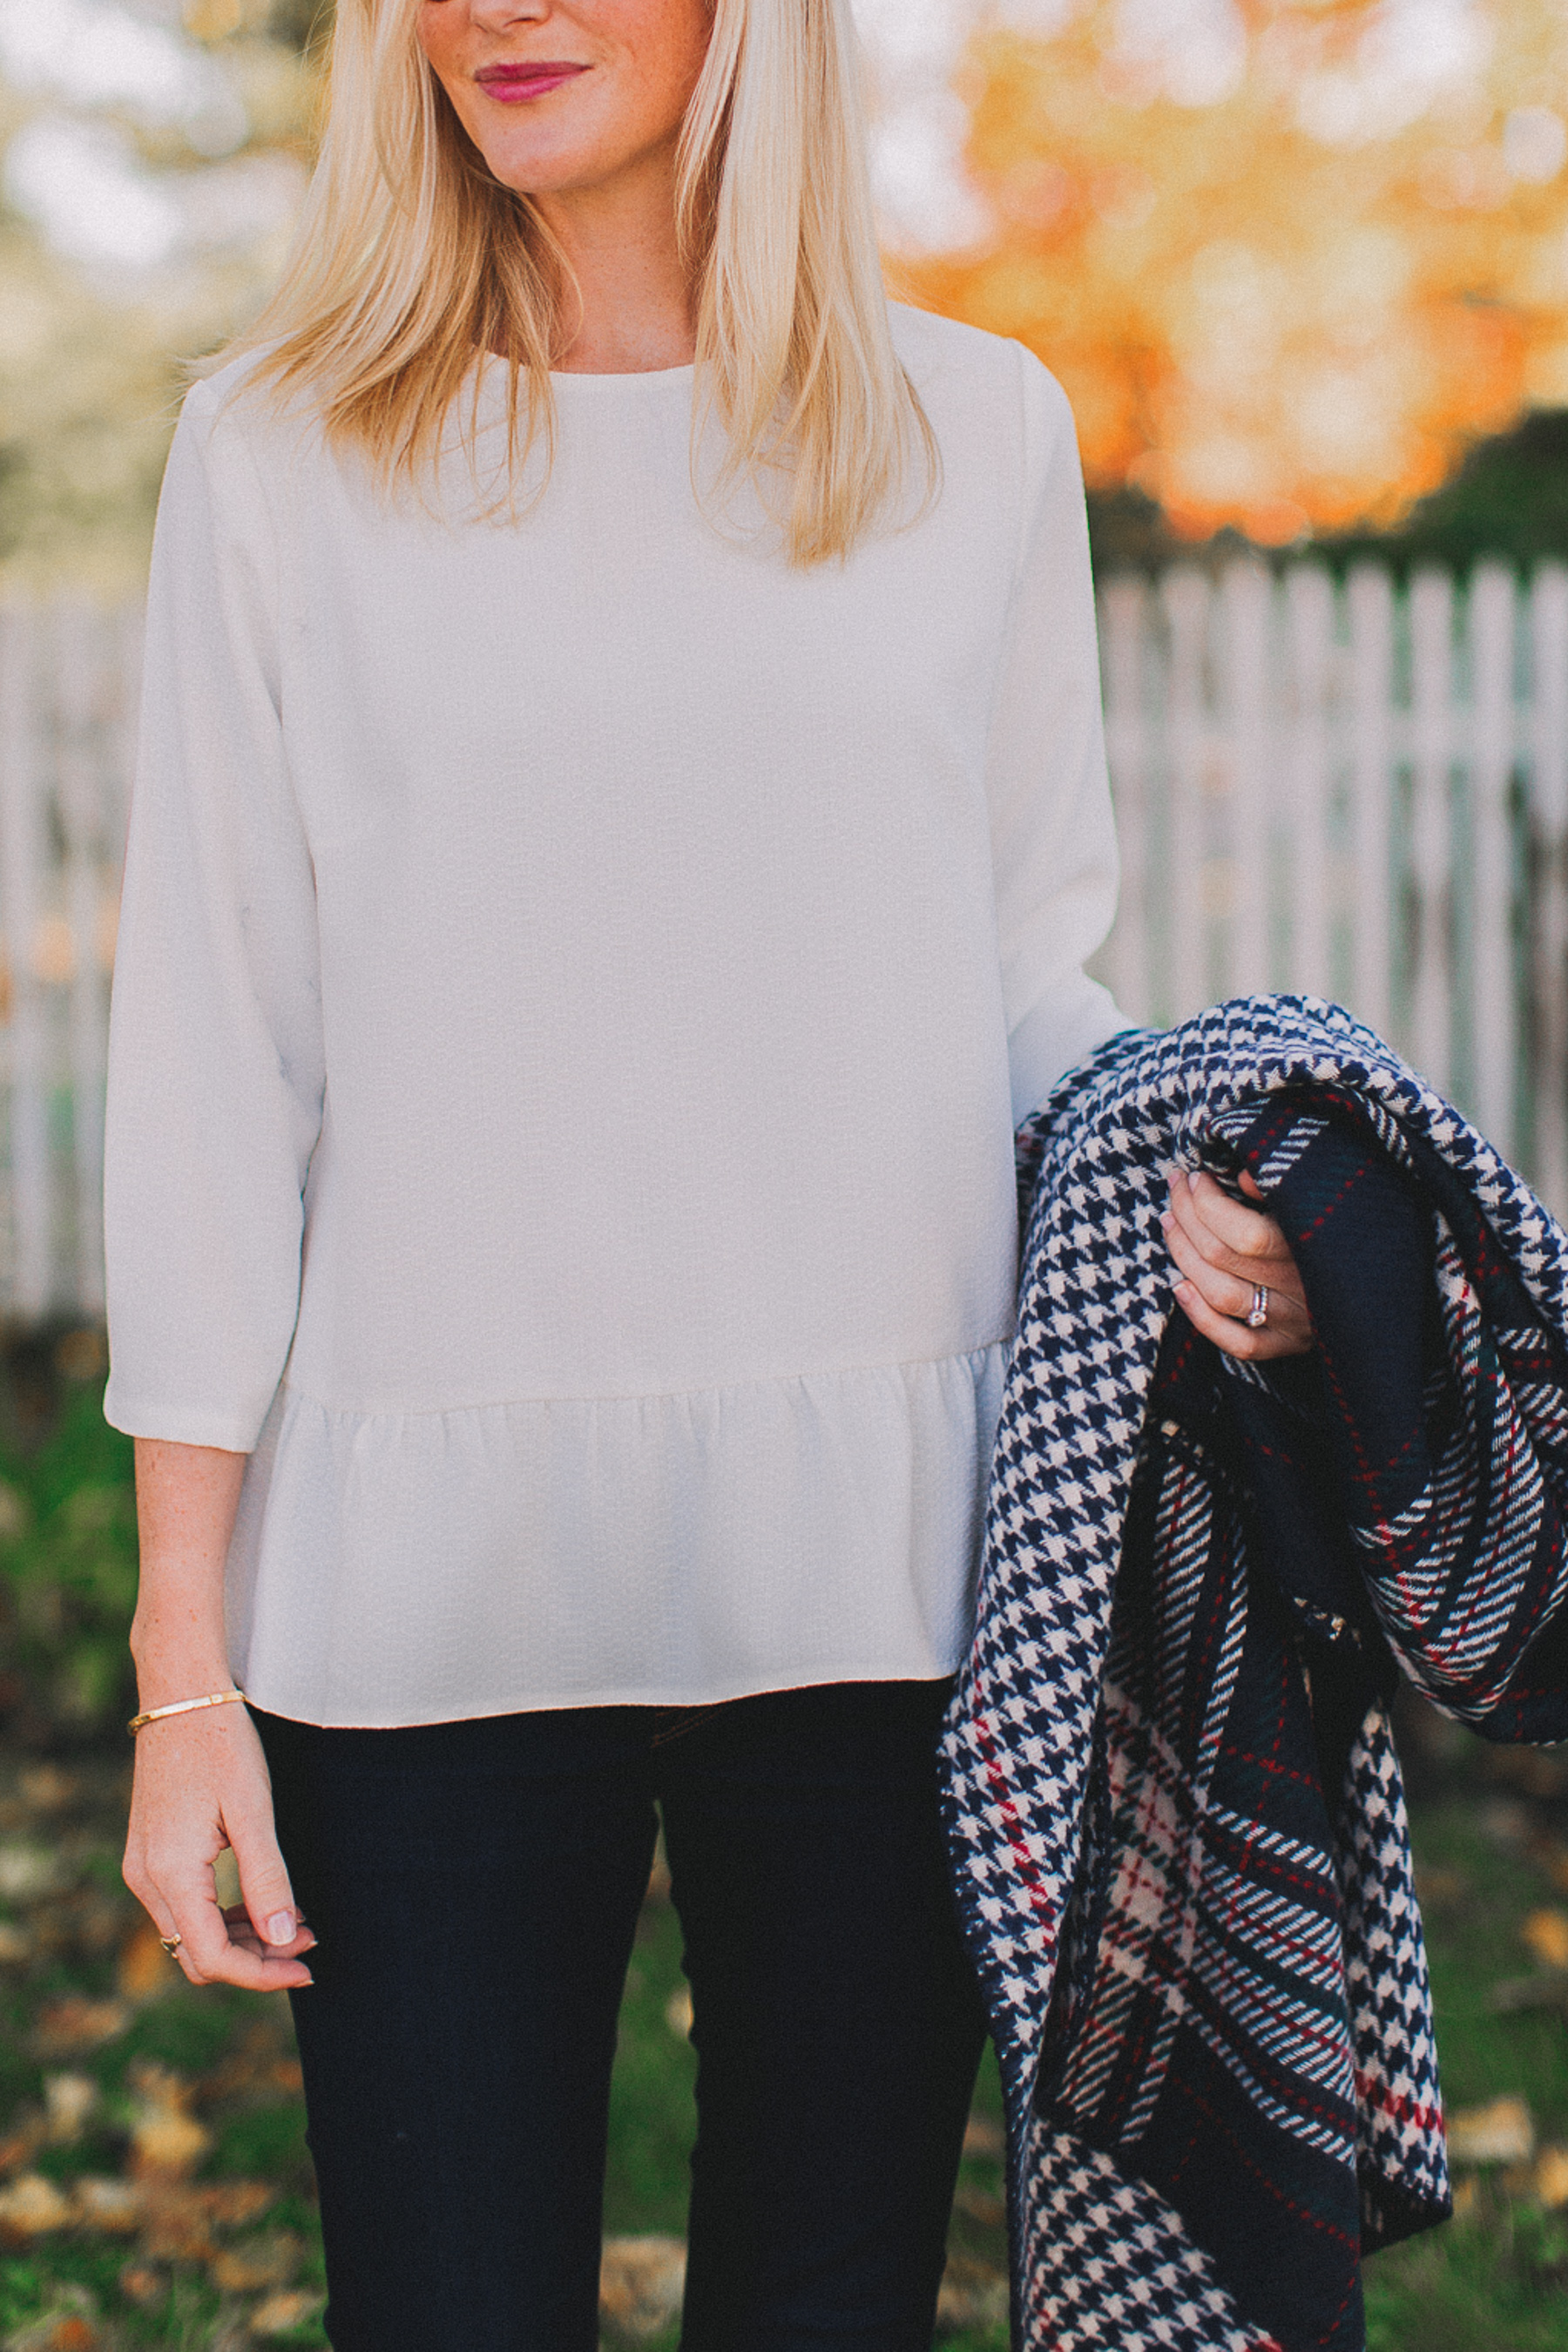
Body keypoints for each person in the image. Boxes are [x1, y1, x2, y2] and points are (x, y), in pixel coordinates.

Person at [105, 3, 1313, 2346]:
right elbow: (214, 1070)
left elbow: (1019, 965)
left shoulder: (979, 431)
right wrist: (183, 1670)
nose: (500, 9)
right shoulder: (280, 454)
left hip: (888, 1573)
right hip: (418, 1594)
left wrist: (1178, 1178)